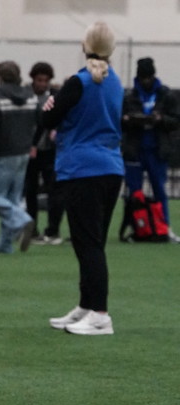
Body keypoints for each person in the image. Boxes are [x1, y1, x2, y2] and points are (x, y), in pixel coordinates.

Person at [43, 22, 125, 335]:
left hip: (81, 168)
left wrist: (49, 105)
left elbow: (49, 119)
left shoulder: (78, 82)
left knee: (87, 243)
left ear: (84, 46)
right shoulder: (116, 82)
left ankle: (100, 314)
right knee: (92, 242)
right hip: (111, 167)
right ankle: (87, 305)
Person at [121, 57, 179, 243]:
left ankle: (164, 228)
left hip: (156, 151)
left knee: (159, 190)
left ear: (153, 76)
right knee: (135, 194)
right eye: (143, 78)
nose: (146, 81)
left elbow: (176, 121)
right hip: (135, 151)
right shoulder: (130, 96)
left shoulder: (166, 95)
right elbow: (120, 121)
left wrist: (161, 119)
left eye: (148, 77)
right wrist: (129, 120)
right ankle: (138, 229)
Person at [0, 61, 37, 254]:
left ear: (0, 76)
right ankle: (4, 244)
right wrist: (32, 143)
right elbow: (38, 120)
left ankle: (22, 220)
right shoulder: (30, 94)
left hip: (4, 151)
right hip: (24, 151)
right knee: (13, 199)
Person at [25, 61, 65, 245]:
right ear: (33, 79)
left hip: (50, 150)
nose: (42, 84)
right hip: (30, 151)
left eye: (45, 81)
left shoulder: (55, 96)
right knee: (30, 191)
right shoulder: (26, 96)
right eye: (39, 80)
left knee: (54, 191)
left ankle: (53, 230)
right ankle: (32, 230)